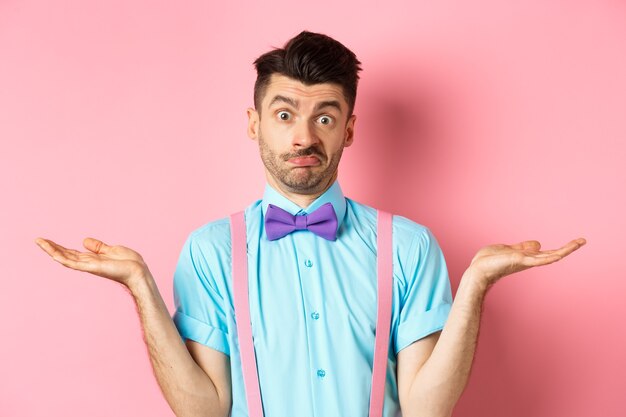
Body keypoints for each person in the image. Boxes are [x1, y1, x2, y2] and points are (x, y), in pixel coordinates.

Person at [35, 31, 585, 417]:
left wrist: (475, 286)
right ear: (254, 125)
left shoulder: (409, 246)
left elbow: (425, 409)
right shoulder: (209, 251)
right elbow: (205, 410)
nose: (303, 137)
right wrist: (141, 287)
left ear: (348, 129)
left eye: (324, 116)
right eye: (284, 115)